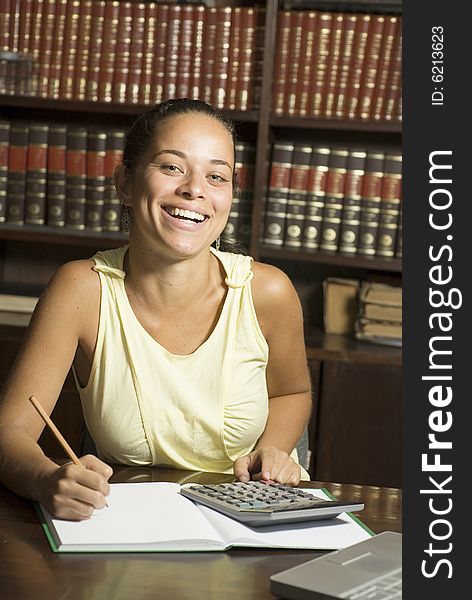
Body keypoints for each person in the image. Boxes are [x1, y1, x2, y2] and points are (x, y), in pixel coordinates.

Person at [0, 99, 312, 521]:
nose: (194, 189)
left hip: (251, 517)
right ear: (125, 183)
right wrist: (45, 479)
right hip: (128, 522)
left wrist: (273, 449)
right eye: (171, 167)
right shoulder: (80, 289)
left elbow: (291, 392)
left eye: (216, 176)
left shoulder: (268, 291)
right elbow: (10, 431)